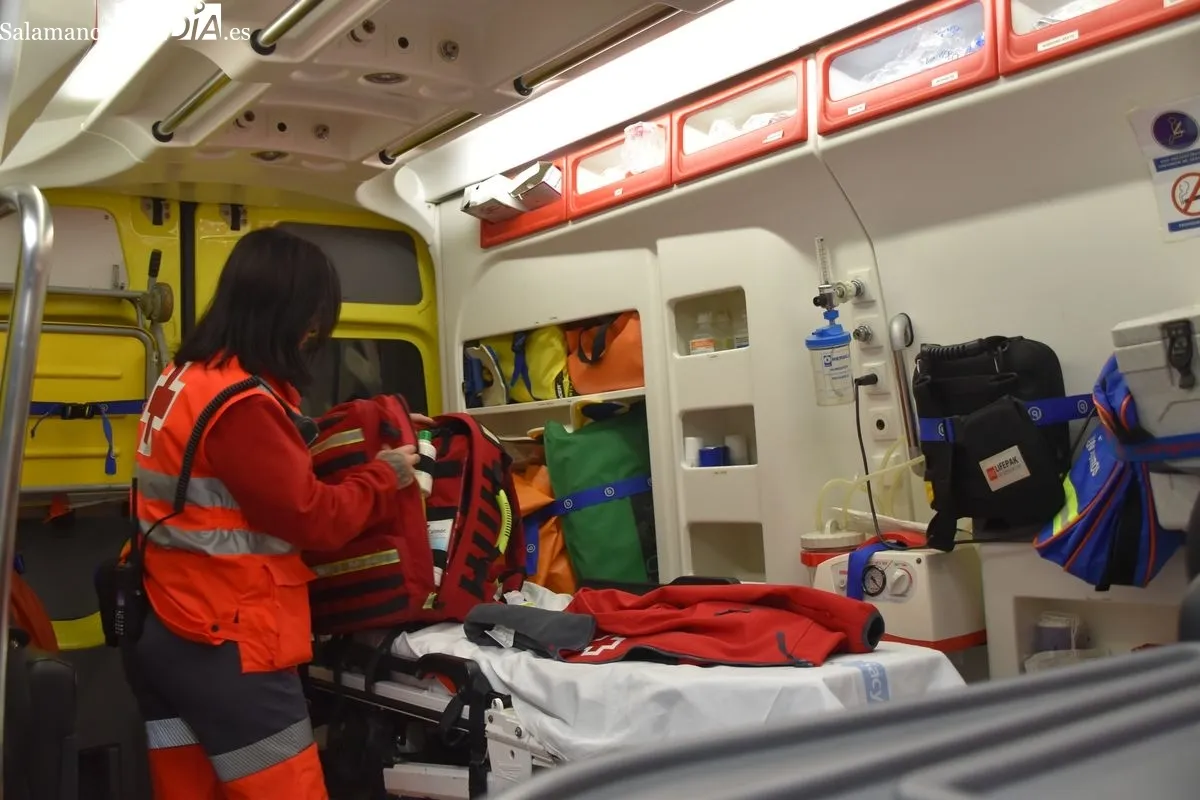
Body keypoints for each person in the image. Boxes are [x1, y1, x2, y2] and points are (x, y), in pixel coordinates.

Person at [127, 227, 421, 799]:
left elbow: (244, 486)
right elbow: (314, 518)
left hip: (167, 625)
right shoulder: (242, 407)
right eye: (312, 320)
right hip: (227, 643)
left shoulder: (184, 378)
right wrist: (386, 475)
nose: (313, 335)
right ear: (284, 314)